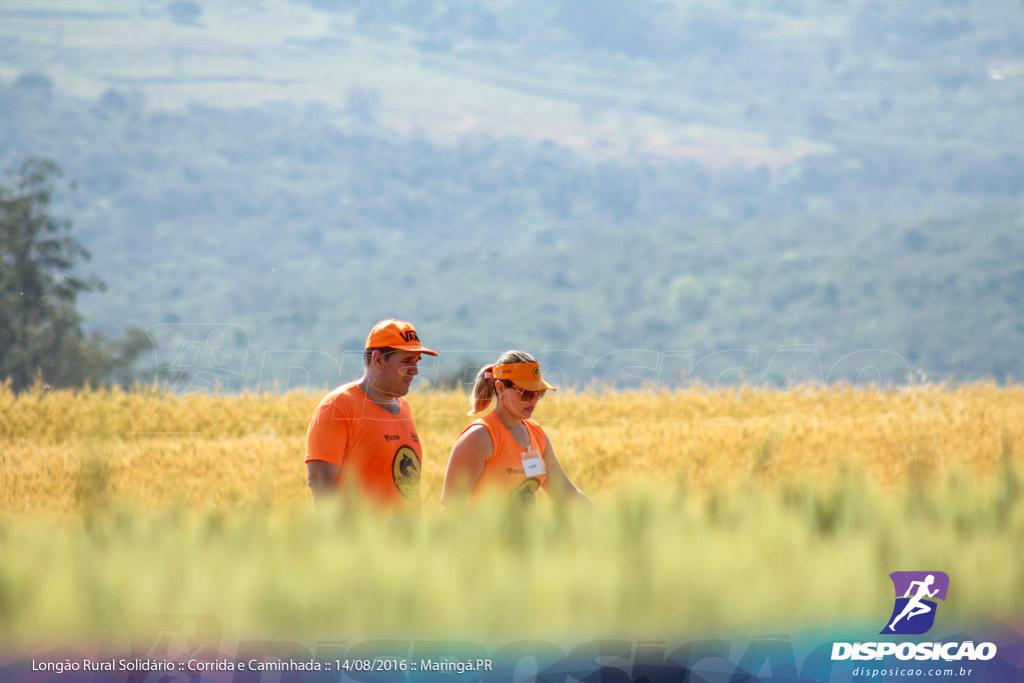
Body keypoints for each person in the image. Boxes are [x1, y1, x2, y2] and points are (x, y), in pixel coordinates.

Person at [305, 319, 437, 511]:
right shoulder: (337, 407)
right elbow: (320, 482)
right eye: (407, 361)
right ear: (377, 359)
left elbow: (408, 488)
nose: (415, 371)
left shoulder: (404, 408)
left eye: (417, 362)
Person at [441, 350, 593, 508]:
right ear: (500, 388)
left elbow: (567, 493)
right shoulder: (479, 437)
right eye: (526, 392)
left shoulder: (537, 434)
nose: (534, 399)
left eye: (538, 392)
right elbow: (450, 507)